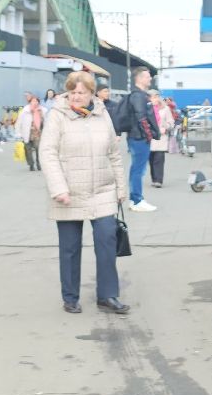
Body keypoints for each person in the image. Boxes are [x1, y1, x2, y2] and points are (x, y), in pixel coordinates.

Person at [39, 71, 131, 315]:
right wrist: (58, 188)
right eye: (72, 92)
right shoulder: (57, 116)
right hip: (69, 191)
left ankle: (108, 295)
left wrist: (121, 188)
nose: (76, 97)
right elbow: (47, 153)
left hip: (102, 190)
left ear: (92, 94)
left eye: (81, 92)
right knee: (70, 247)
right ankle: (70, 297)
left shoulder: (103, 115)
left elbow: (114, 153)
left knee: (106, 241)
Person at [122, 67, 158, 212]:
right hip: (139, 138)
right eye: (148, 76)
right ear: (140, 78)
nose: (150, 79)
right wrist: (149, 135)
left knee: (136, 168)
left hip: (136, 137)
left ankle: (135, 199)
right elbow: (141, 117)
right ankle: (136, 200)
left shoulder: (137, 95)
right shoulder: (139, 96)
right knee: (138, 169)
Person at [147, 90, 179, 188]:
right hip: (149, 137)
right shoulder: (146, 108)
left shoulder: (165, 109)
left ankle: (159, 180)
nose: (155, 99)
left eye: (157, 96)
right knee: (151, 160)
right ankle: (154, 178)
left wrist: (165, 127)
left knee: (159, 159)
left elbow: (171, 122)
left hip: (161, 137)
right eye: (153, 97)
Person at [18, 91, 46, 173]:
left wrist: (42, 116)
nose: (35, 102)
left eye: (36, 101)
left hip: (38, 132)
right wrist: (19, 132)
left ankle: (39, 163)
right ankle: (31, 164)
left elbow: (46, 121)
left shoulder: (42, 110)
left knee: (38, 149)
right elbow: (20, 121)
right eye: (33, 101)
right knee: (28, 149)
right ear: (30, 102)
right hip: (27, 132)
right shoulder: (25, 110)